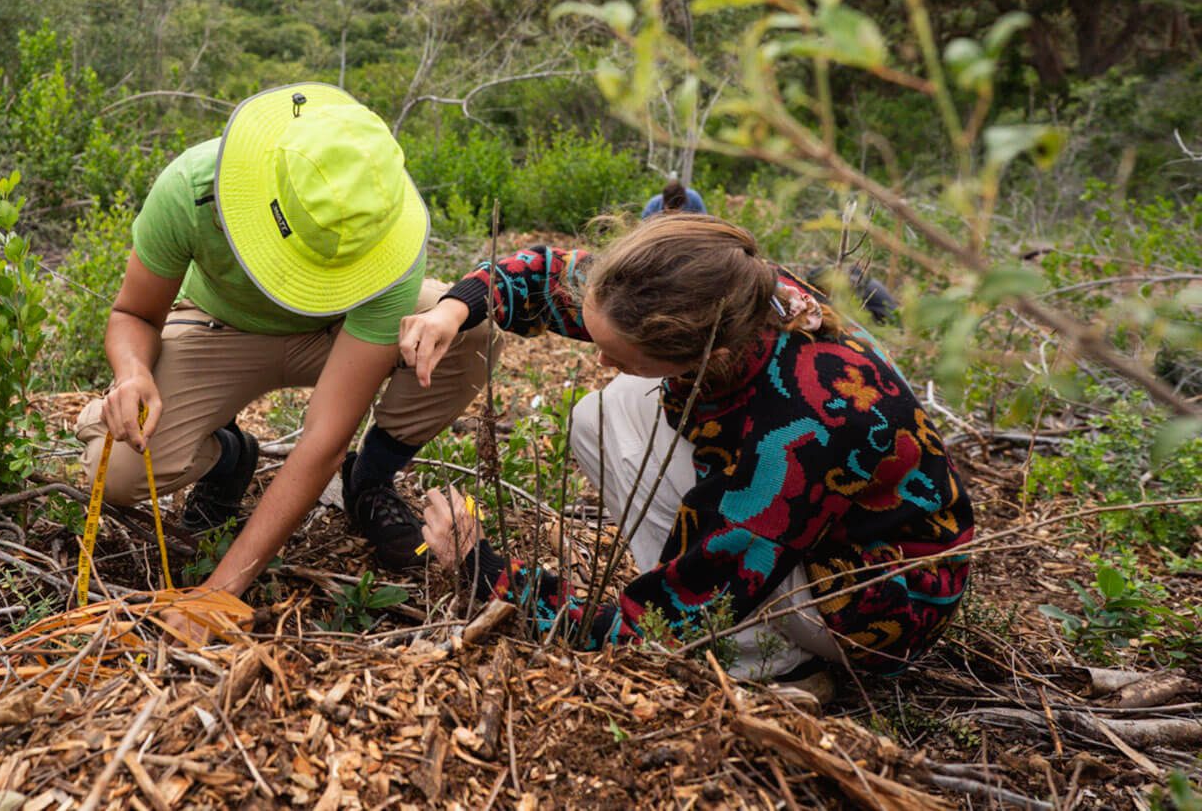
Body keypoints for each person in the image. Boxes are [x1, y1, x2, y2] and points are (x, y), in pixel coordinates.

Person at [401, 215, 972, 678]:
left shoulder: (792, 440)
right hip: (806, 513)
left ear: (703, 357)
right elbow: (550, 274)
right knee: (607, 410)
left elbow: (653, 623)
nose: (602, 360)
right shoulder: (730, 291)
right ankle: (728, 598)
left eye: (621, 354)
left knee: (686, 609)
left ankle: (758, 656)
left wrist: (485, 570)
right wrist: (456, 307)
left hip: (872, 605)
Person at [74, 83, 492, 599]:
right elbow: (132, 313)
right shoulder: (191, 186)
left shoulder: (382, 226)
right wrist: (134, 373)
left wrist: (223, 589)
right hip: (218, 326)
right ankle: (229, 455)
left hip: (338, 335)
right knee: (116, 475)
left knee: (472, 327)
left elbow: (323, 437)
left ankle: (369, 482)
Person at [641, 174, 706, 219]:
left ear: (684, 202)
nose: (673, 215)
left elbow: (704, 220)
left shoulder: (694, 199)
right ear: (664, 201)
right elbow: (643, 225)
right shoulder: (653, 206)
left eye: (676, 211)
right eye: (670, 211)